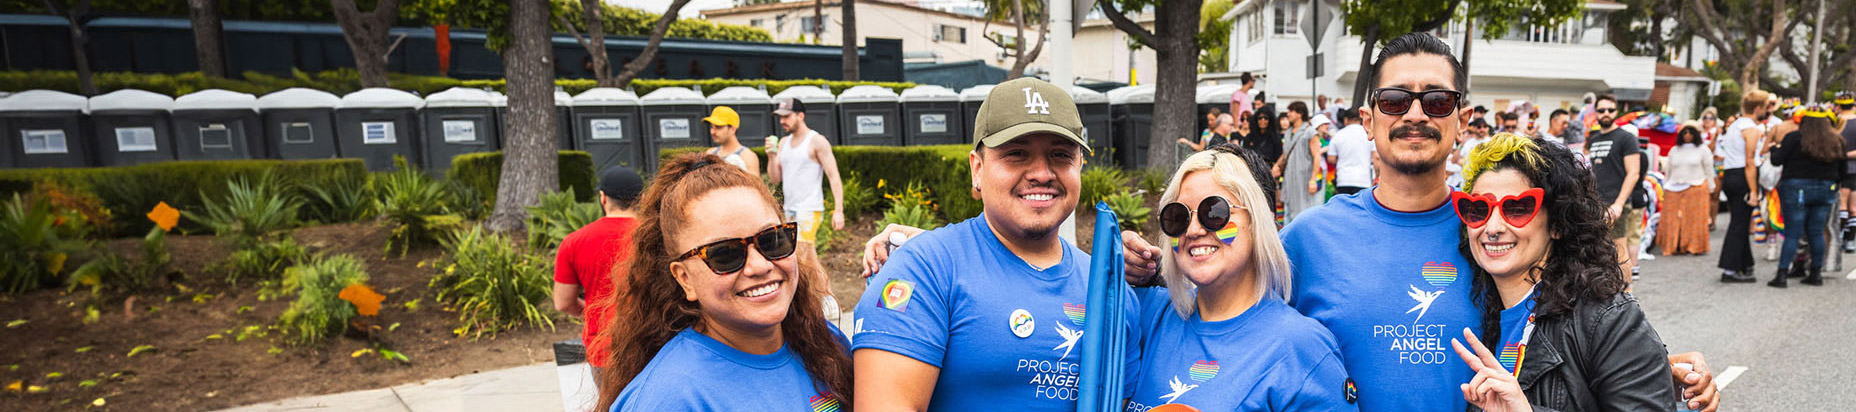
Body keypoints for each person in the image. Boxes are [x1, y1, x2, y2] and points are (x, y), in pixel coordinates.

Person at [1118, 32, 1719, 412]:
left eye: (1435, 100)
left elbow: (1571, 324)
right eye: (1394, 100)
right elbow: (1226, 313)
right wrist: (1144, 273)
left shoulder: (1492, 230)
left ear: (1459, 116)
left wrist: (1658, 375)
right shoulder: (1306, 239)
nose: (1414, 114)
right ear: (1368, 118)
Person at [850, 77, 1140, 412]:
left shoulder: (1111, 292)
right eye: (1017, 154)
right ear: (977, 168)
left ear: (1079, 167)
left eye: (1060, 155)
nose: (1042, 173)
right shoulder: (926, 268)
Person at [595, 153, 851, 412]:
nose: (760, 266)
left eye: (772, 240)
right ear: (685, 279)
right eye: (726, 254)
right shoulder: (669, 399)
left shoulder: (827, 343)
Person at [1448, 133, 1679, 411]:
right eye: (1477, 209)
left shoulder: (1607, 320)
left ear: (1557, 224)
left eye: (1517, 208)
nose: (1493, 228)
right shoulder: (1479, 312)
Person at [1125, 143, 1357, 411]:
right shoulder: (1146, 312)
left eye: (1214, 212)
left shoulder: (1301, 347)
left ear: (1258, 221)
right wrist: (1114, 265)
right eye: (1178, 217)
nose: (1194, 230)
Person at [554, 166, 645, 375]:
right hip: (653, 346)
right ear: (641, 199)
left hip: (604, 350)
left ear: (602, 198)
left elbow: (563, 302)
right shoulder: (656, 237)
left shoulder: (573, 242)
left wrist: (596, 313)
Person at [765, 97, 847, 307]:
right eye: (780, 117)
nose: (782, 121)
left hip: (810, 208)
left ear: (800, 115)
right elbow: (775, 179)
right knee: (805, 257)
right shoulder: (783, 143)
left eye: (786, 116)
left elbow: (834, 175)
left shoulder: (816, 141)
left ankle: (822, 301)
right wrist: (772, 156)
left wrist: (839, 210)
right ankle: (824, 300)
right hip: (790, 209)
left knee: (802, 253)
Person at [1765, 105, 1846, 287]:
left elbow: (1777, 160)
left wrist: (1773, 149)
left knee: (1793, 233)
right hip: (1826, 188)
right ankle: (1815, 273)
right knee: (1816, 232)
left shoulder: (1794, 138)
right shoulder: (1836, 140)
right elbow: (1842, 170)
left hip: (1796, 187)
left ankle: (1782, 274)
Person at [1582, 94, 1645, 286]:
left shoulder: (1626, 138)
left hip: (1616, 203)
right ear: (1596, 113)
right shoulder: (1593, 138)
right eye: (1602, 110)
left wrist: (1619, 204)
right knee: (1599, 251)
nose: (1606, 113)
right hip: (1595, 203)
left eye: (1610, 110)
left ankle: (1626, 295)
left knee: (1619, 249)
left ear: (1616, 112)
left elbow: (1633, 173)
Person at [1719, 90, 1772, 283]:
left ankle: (1745, 263)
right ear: (1758, 108)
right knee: (1739, 224)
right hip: (1743, 176)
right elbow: (1750, 160)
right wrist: (1752, 191)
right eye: (1765, 108)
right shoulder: (1751, 129)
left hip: (1731, 174)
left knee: (1739, 220)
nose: (1767, 111)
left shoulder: (1735, 125)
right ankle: (1730, 269)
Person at [1658, 124, 1714, 256]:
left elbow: (1708, 170)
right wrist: (1665, 187)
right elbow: (1669, 171)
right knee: (1671, 218)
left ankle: (1693, 246)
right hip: (1674, 186)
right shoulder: (1674, 150)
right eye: (1685, 133)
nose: (1687, 136)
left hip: (1696, 186)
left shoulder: (1702, 150)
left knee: (1693, 219)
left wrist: (1711, 187)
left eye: (1691, 133)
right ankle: (1673, 245)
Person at [1274, 102, 1323, 222]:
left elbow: (1317, 156)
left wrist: (1313, 180)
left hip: (1303, 178)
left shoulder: (1310, 132)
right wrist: (1276, 165)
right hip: (1289, 178)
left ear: (1300, 113)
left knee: (1303, 212)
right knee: (1288, 211)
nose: (1288, 114)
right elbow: (1286, 152)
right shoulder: (1288, 132)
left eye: (1291, 111)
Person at [1327, 110, 1373, 195]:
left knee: (1344, 207)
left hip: (1343, 180)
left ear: (1346, 120)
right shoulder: (1368, 134)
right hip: (1363, 180)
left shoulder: (1338, 135)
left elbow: (1331, 159)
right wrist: (1377, 176)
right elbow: (1376, 157)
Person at [703, 106, 761, 175]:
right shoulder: (710, 153)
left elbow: (755, 185)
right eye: (711, 127)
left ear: (733, 129)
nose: (712, 132)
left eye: (718, 127)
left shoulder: (748, 157)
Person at [1837, 93, 1856, 252]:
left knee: (1842, 205)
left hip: (1836, 168)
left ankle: (1840, 236)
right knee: (1853, 207)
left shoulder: (1834, 122)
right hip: (1854, 168)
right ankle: (1850, 240)